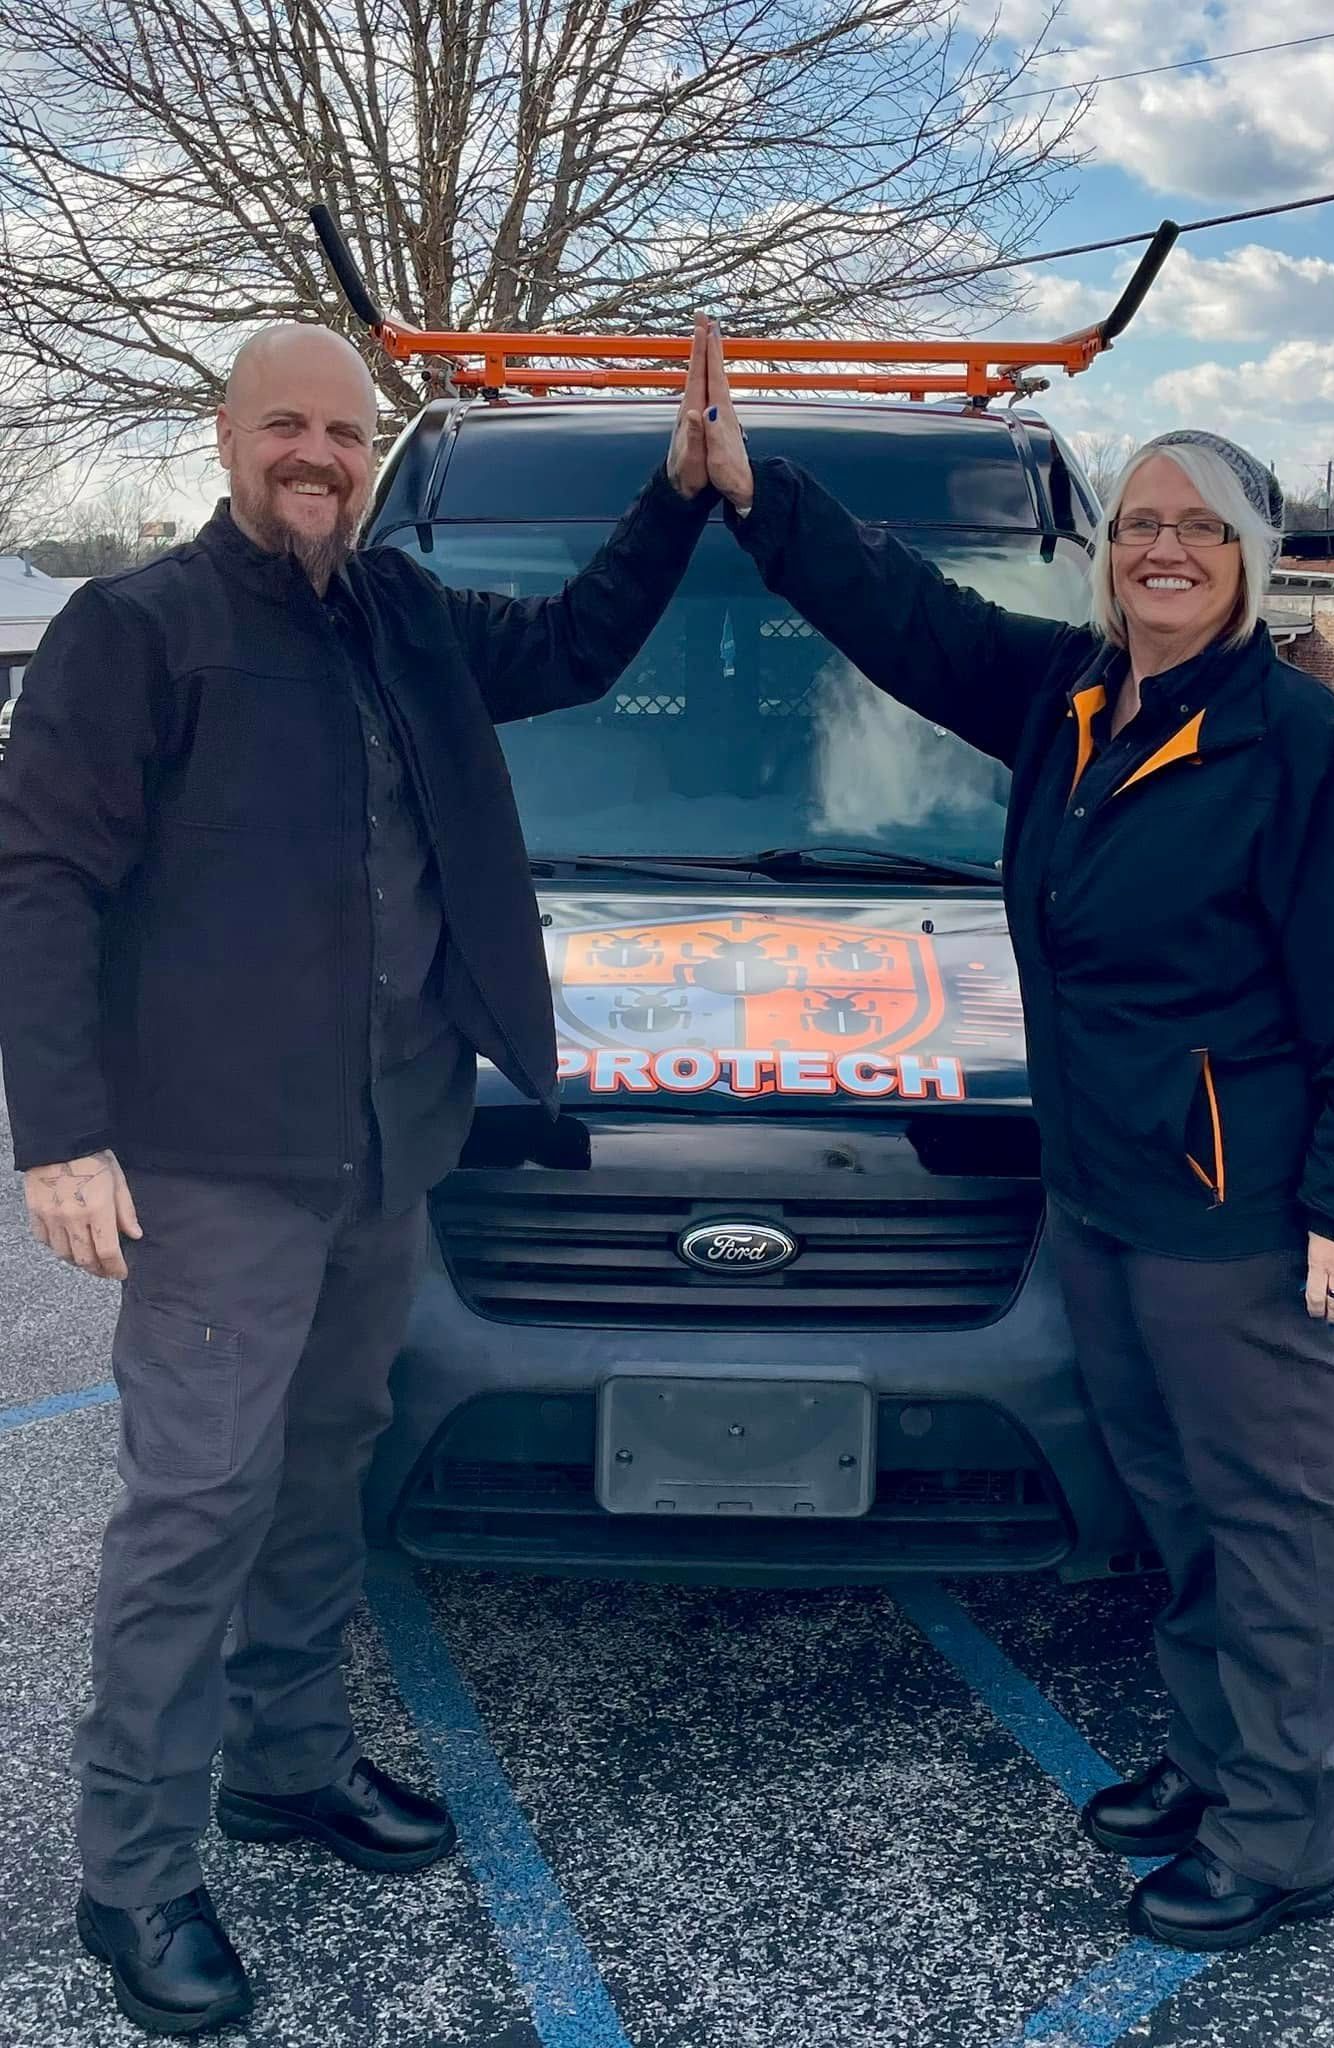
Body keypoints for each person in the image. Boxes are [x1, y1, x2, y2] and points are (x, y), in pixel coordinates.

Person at [694, 328, 1334, 1952]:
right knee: (1176, 1501)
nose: (1163, 549)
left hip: (1241, 1217)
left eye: (1199, 529)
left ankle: (1281, 1835)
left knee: (1272, 1516)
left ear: (1250, 563)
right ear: (1108, 559)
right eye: (1137, 526)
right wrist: (761, 492)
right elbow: (906, 617)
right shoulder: (1076, 697)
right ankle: (1209, 1764)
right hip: (1105, 1196)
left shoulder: (1297, 750)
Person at [0, 318, 718, 2035]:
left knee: (323, 1472)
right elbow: (36, 879)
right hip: (216, 1166)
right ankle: (135, 1876)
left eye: (345, 433)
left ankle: (290, 1766)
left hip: (392, 1139)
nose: (318, 456)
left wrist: (677, 495)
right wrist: (62, 1133)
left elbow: (577, 644)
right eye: (288, 427)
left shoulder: (402, 615)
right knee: (194, 1513)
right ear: (228, 435)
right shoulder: (138, 630)